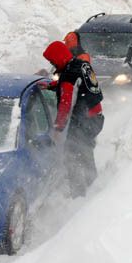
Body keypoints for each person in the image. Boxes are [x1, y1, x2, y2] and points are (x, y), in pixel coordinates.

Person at [42, 41, 104, 197]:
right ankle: (93, 185)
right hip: (95, 117)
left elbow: (66, 105)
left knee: (72, 154)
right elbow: (78, 84)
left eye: (52, 61)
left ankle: (78, 195)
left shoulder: (69, 74)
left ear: (59, 57)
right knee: (85, 151)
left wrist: (58, 128)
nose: (53, 64)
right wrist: (54, 85)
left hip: (85, 121)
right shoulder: (81, 64)